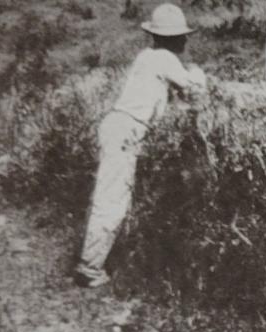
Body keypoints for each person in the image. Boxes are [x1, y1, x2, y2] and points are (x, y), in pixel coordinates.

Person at [75, 3, 207, 288]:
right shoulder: (165, 59)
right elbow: (195, 91)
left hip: (117, 126)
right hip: (127, 130)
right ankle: (90, 268)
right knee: (112, 201)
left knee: (108, 195)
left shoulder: (146, 57)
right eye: (181, 36)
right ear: (173, 38)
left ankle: (93, 259)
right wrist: (196, 70)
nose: (185, 41)